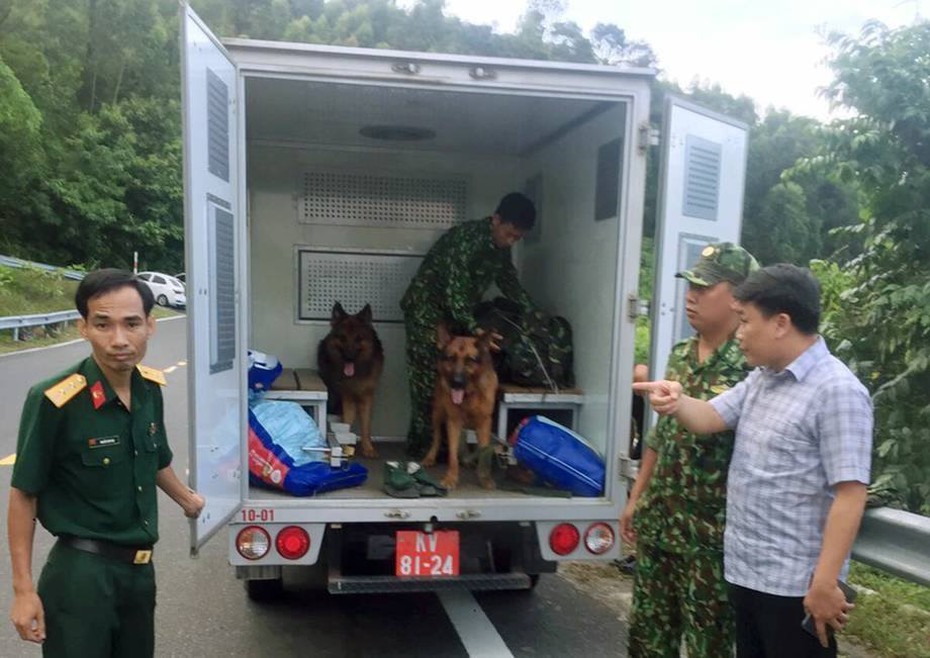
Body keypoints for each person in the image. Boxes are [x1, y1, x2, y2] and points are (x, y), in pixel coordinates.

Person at [634, 264, 873, 658]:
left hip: (795, 588)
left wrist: (824, 584)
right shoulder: (763, 378)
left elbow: (850, 493)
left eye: (745, 321)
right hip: (747, 573)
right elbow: (710, 416)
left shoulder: (837, 391)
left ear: (781, 323)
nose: (739, 332)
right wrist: (676, 402)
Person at [8, 268, 206, 657]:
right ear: (83, 328)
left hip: (139, 573)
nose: (119, 340)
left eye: (131, 323)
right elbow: (24, 495)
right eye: (103, 324)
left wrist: (187, 499)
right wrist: (23, 590)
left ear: (150, 325)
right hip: (81, 575)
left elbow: (154, 457)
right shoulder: (54, 400)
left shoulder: (149, 390)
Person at [621, 242, 759, 657]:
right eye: (690, 285)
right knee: (648, 639)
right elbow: (662, 437)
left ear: (738, 298)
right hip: (661, 523)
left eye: (704, 287)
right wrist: (637, 496)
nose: (691, 296)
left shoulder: (752, 364)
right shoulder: (681, 354)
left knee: (708, 646)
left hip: (710, 539)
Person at [401, 192, 537, 457]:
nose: (511, 241)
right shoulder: (466, 241)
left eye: (517, 239)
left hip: (455, 318)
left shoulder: (500, 250)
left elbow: (509, 283)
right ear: (496, 220)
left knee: (456, 381)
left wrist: (533, 313)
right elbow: (456, 293)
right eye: (509, 234)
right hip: (425, 313)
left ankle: (447, 453)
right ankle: (422, 451)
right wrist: (475, 330)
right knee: (428, 385)